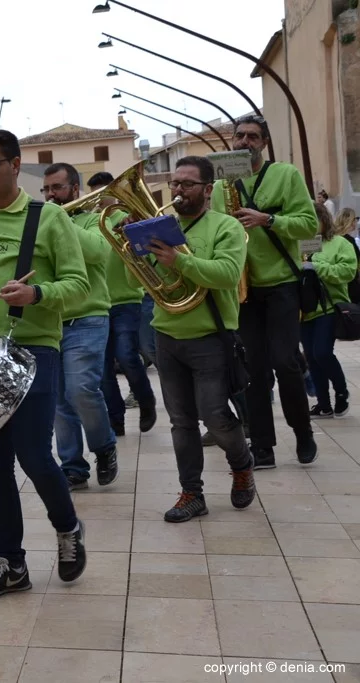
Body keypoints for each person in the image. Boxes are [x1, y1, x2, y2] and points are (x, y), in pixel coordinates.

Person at [0, 129, 88, 600]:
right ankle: (12, 564)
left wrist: (37, 293)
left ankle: (67, 529)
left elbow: (79, 284)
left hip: (35, 351)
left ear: (14, 164)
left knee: (34, 455)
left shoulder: (46, 219)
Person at [141, 156, 254, 522]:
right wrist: (135, 252)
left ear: (207, 189)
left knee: (215, 415)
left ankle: (242, 465)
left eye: (187, 184)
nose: (178, 190)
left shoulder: (226, 227)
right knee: (181, 421)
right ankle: (192, 493)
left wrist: (180, 261)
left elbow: (226, 274)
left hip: (210, 337)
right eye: (175, 183)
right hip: (167, 335)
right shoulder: (163, 227)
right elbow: (135, 284)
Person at [212, 115, 320, 469]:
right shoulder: (220, 183)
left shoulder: (285, 175)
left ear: (265, 142)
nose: (244, 141)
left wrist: (268, 219)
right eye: (239, 135)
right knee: (254, 370)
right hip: (243, 290)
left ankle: (303, 433)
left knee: (284, 362)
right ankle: (262, 446)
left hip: (281, 285)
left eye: (252, 136)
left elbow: (309, 224)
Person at [41, 163, 119, 490]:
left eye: (57, 189)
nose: (50, 195)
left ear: (75, 189)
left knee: (81, 390)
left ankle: (104, 446)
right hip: (52, 319)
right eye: (46, 190)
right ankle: (73, 466)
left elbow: (99, 251)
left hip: (89, 316)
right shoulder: (43, 220)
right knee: (58, 400)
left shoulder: (94, 217)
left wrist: (59, 221)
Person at [87, 172, 158, 438]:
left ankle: (146, 399)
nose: (99, 200)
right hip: (98, 303)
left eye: (103, 193)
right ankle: (115, 419)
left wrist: (131, 227)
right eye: (95, 195)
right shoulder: (89, 223)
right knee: (103, 368)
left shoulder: (126, 218)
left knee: (127, 354)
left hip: (127, 298)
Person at [302, 201, 355, 419]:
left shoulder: (339, 243)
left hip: (329, 307)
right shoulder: (300, 243)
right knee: (311, 359)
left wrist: (317, 266)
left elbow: (347, 271)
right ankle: (323, 404)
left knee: (321, 352)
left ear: (323, 219)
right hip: (305, 310)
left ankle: (341, 392)